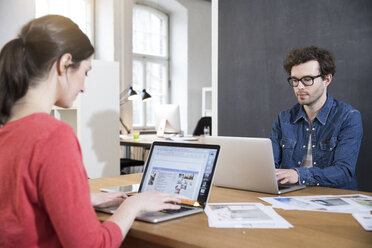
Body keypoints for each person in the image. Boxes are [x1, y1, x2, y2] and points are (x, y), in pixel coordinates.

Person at [0, 15, 181, 247]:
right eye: (85, 72)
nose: (84, 87)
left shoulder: (7, 135)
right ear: (64, 63)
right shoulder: (53, 136)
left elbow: (20, 209)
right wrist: (133, 204)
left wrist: (82, 200)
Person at [270, 46, 363, 190]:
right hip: (294, 196)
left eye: (307, 79)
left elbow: (343, 172)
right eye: (295, 80)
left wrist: (299, 175)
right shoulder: (284, 118)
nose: (299, 86)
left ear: (327, 79)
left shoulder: (348, 117)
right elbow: (269, 166)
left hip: (336, 198)